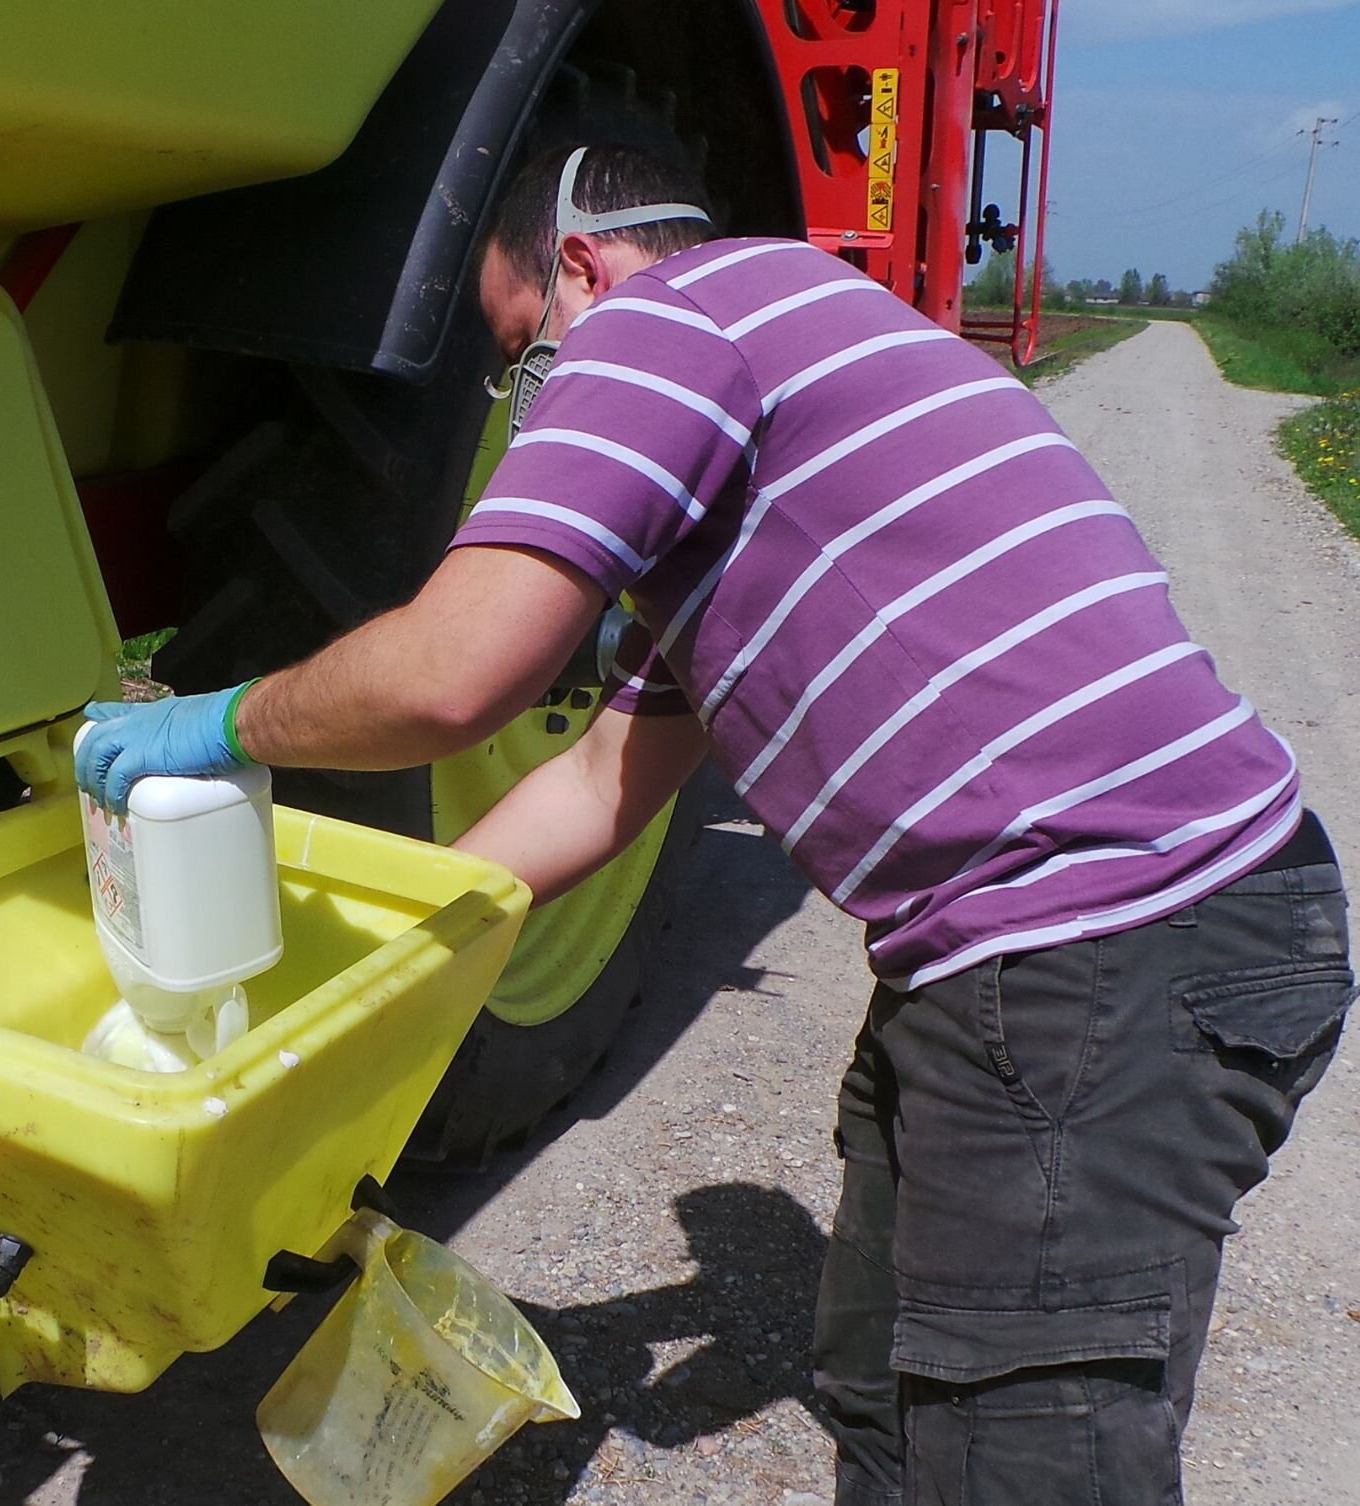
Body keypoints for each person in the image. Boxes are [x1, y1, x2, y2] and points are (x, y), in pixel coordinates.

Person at [73, 143, 1353, 1504]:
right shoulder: (770, 401)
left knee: (1016, 1466)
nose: (529, 400)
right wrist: (371, 965)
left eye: (520, 356)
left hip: (1107, 940)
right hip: (1029, 949)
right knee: (886, 1394)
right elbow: (597, 785)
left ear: (580, 264)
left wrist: (220, 722)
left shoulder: (672, 321)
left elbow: (454, 673)